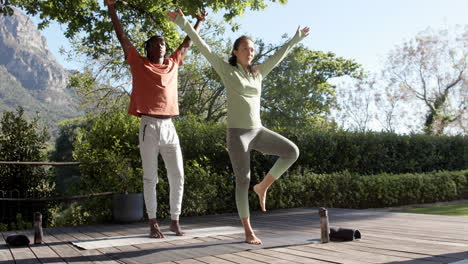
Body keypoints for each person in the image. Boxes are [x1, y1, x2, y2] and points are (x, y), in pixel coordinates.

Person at [168, 9, 310, 245]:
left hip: (258, 131)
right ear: (235, 52)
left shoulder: (258, 73)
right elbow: (204, 47)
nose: (250, 52)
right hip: (237, 135)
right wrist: (183, 22)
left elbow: (278, 57)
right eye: (245, 48)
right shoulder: (227, 70)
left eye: (252, 49)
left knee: (292, 152)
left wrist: (295, 39)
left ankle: (262, 187)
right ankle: (247, 230)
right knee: (242, 178)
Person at [106, 0, 206, 238]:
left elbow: (187, 42)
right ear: (148, 48)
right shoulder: (139, 64)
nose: (161, 46)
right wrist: (111, 8)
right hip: (148, 125)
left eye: (163, 43)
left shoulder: (172, 64)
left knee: (178, 174)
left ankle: (174, 220)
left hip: (170, 126)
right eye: (156, 43)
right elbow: (122, 37)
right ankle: (152, 222)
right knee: (151, 177)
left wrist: (198, 22)